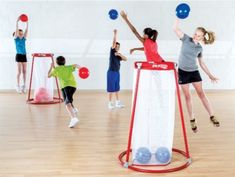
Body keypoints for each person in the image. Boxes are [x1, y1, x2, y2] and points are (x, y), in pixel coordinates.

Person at [173, 18, 220, 133]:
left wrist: (210, 75)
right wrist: (178, 17)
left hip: (194, 72)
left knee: (201, 94)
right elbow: (175, 28)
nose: (195, 36)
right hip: (183, 72)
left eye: (198, 36)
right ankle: (192, 119)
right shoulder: (186, 39)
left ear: (202, 37)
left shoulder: (199, 48)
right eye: (195, 33)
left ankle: (212, 116)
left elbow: (201, 63)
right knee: (188, 97)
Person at [48, 56, 80, 128]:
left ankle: (73, 118)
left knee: (67, 103)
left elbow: (48, 75)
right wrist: (81, 69)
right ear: (64, 62)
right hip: (73, 86)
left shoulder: (56, 69)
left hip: (66, 87)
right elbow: (76, 65)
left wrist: (51, 67)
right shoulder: (68, 67)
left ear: (56, 63)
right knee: (68, 100)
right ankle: (74, 110)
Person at [107, 29, 127, 109]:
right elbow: (114, 42)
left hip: (117, 73)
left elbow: (125, 59)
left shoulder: (118, 55)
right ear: (114, 46)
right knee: (111, 89)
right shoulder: (112, 51)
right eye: (116, 46)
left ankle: (118, 103)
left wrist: (119, 54)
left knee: (116, 88)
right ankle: (110, 103)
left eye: (118, 47)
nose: (117, 47)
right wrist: (115, 34)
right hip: (111, 72)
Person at [13, 16, 28, 93]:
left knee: (25, 71)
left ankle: (24, 86)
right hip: (18, 56)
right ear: (17, 34)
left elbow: (26, 31)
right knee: (19, 72)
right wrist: (17, 22)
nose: (21, 34)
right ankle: (17, 85)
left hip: (24, 55)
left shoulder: (23, 39)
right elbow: (16, 31)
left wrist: (27, 22)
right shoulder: (16, 39)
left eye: (22, 33)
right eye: (20, 33)